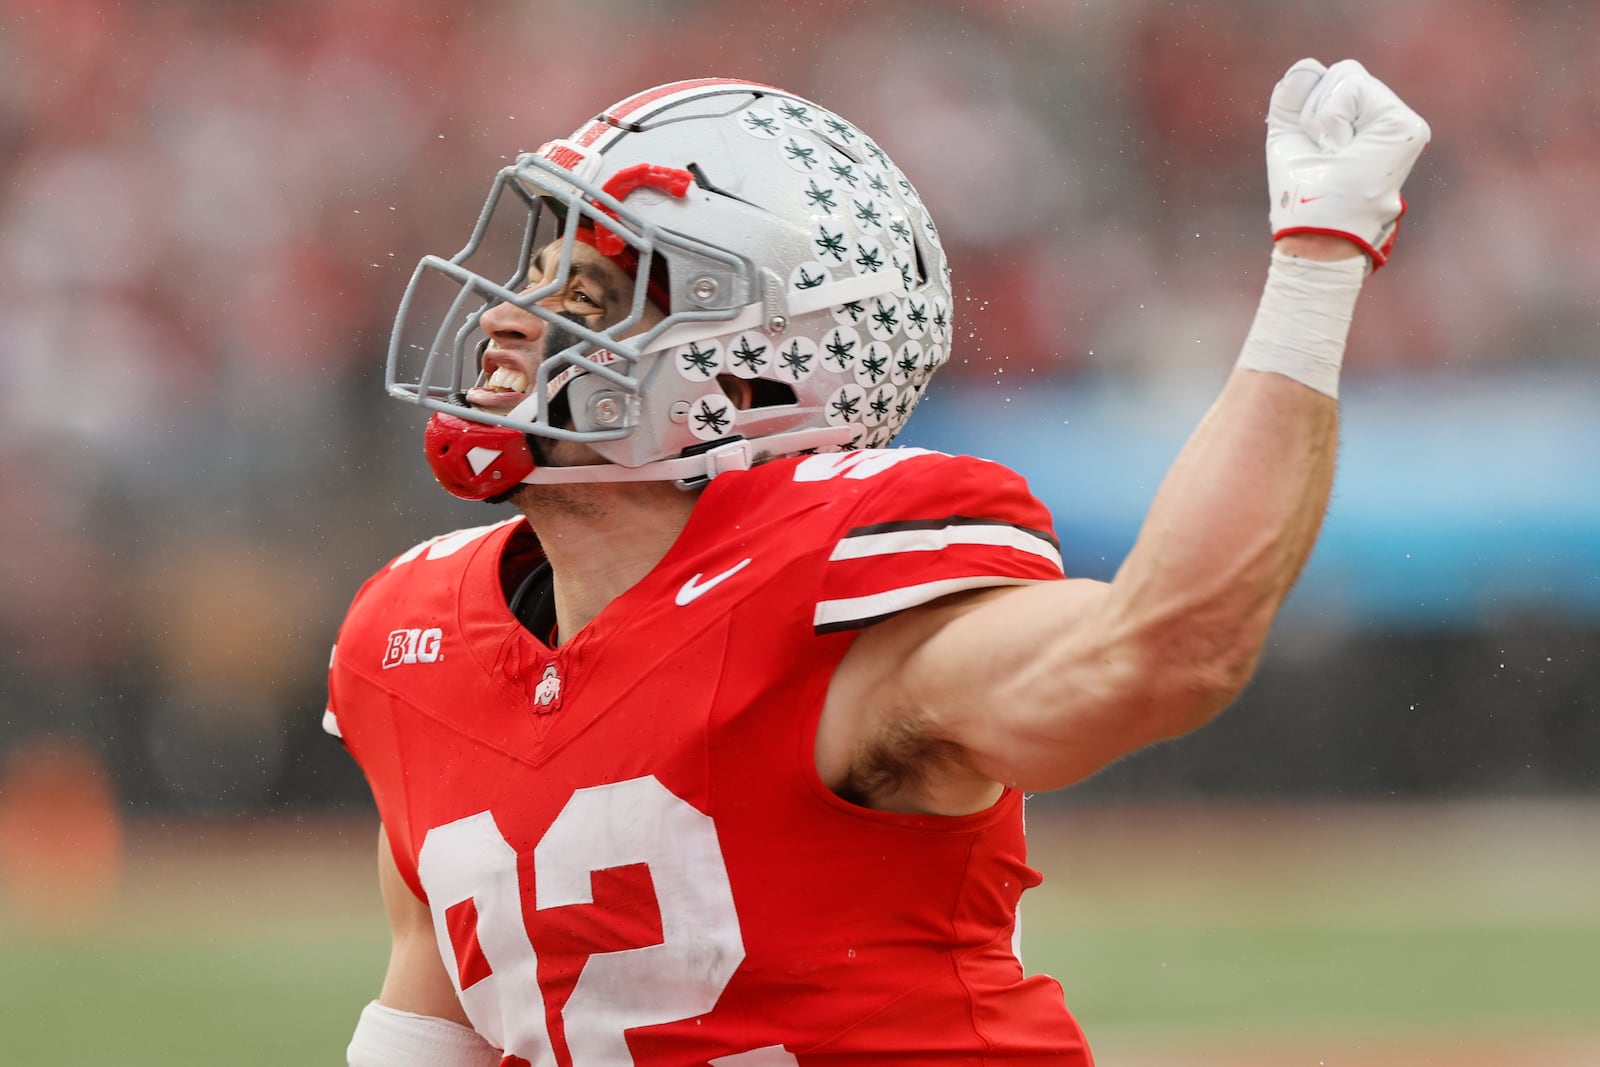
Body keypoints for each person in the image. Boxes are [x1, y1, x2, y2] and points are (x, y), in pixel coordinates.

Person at [325, 61, 1429, 1066]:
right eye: (534, 275)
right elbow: (435, 1029)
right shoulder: (417, 634)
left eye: (586, 297)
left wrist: (1314, 267)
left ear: (748, 370)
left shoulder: (844, 603)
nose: (507, 322)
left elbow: (1165, 648)